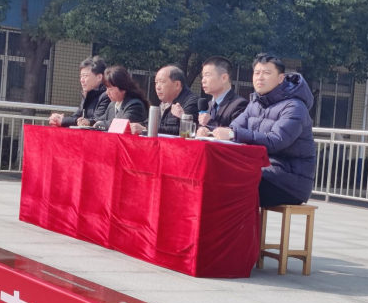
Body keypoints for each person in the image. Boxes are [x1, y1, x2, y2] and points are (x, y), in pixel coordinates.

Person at [214, 54, 316, 207]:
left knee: (232, 185)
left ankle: (242, 224)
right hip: (263, 170)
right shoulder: (255, 103)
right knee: (217, 176)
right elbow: (234, 128)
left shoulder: (295, 107)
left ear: (281, 78)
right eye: (256, 73)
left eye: (266, 73)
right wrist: (210, 131)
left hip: (289, 182)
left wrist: (232, 134)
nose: (260, 77)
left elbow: (276, 141)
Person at [130, 66, 199, 136]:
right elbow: (148, 123)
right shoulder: (165, 103)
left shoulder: (191, 102)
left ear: (177, 85)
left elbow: (184, 131)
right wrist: (134, 126)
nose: (157, 87)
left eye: (162, 82)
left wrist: (147, 129)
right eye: (156, 83)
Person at [49, 56, 110, 128]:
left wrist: (63, 121)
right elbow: (76, 116)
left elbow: (95, 121)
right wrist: (59, 119)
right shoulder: (88, 95)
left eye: (85, 76)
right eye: (81, 76)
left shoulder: (107, 95)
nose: (81, 80)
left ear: (99, 77)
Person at [196, 57, 248, 138]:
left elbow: (236, 134)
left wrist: (210, 122)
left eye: (207, 75)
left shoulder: (240, 104)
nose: (203, 80)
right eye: (203, 76)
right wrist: (202, 130)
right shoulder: (208, 105)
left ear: (224, 78)